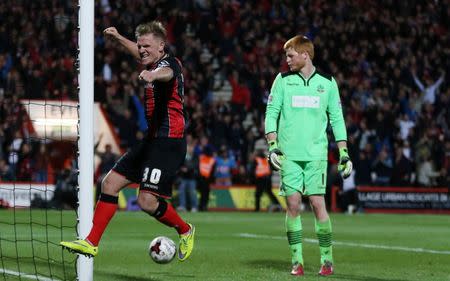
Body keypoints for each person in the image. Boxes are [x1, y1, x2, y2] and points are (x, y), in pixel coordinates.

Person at [60, 21, 195, 261]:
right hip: (152, 140)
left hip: (169, 142)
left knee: (146, 201)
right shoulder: (152, 57)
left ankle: (185, 230)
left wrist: (152, 75)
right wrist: (119, 37)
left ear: (162, 46)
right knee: (109, 184)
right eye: (140, 45)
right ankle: (91, 243)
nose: (142, 50)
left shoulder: (169, 64)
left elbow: (167, 74)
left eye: (147, 46)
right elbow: (137, 50)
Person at [265, 35, 352, 276]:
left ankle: (327, 260)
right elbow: (271, 112)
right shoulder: (282, 81)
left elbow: (337, 119)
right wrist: (273, 145)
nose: (287, 60)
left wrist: (344, 152)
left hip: (316, 155)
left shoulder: (328, 83)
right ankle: (297, 262)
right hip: (289, 155)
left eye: (291, 55)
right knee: (293, 205)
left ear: (305, 55)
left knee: (316, 204)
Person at [197, 146, 215, 211]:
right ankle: (202, 206)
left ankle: (203, 207)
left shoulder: (201, 157)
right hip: (203, 179)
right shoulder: (210, 159)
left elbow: (212, 170)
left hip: (205, 179)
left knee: (204, 194)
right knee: (204, 194)